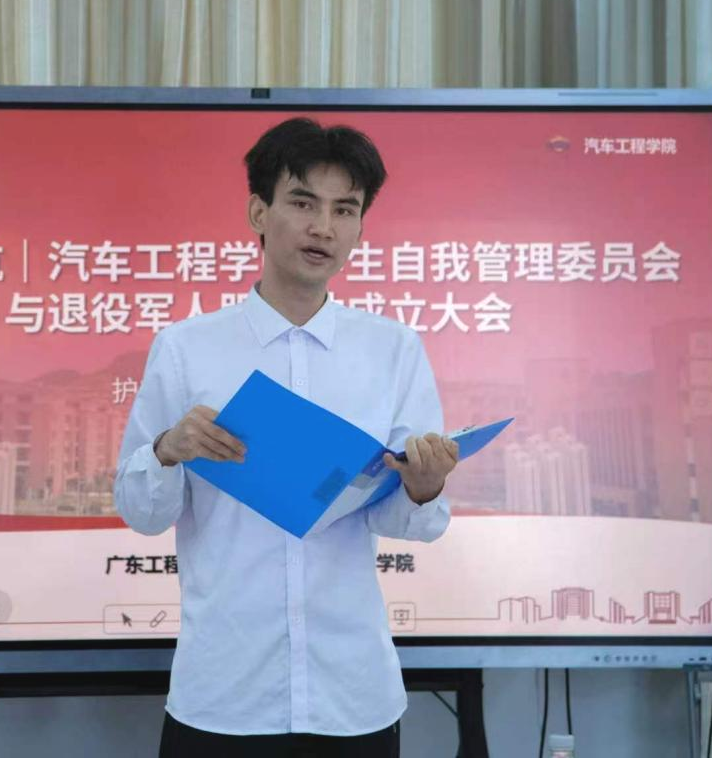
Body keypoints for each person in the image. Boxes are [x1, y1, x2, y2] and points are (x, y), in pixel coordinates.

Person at [114, 117, 460, 758]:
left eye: (344, 210)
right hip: (224, 695)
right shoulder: (188, 348)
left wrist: (424, 486)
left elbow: (407, 522)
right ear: (259, 212)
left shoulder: (392, 350)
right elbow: (141, 513)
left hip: (351, 694)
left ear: (360, 228)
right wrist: (166, 451)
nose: (323, 227)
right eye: (303, 203)